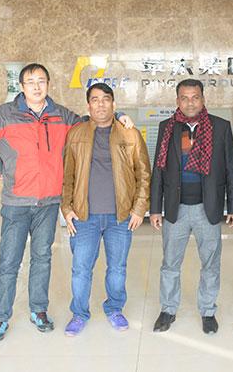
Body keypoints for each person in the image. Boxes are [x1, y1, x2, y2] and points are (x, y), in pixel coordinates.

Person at [0, 63, 133, 342]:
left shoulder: (61, 116)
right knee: (9, 261)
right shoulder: (4, 115)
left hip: (49, 202)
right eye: (30, 82)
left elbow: (94, 119)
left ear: (48, 84)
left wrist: (120, 114)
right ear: (21, 86)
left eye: (41, 81)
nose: (36, 86)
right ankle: (0, 317)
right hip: (17, 202)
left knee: (42, 258)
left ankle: (38, 310)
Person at [149, 78, 233, 334]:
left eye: (195, 97)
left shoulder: (220, 127)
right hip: (175, 209)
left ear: (203, 99)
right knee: (170, 263)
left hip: (207, 208)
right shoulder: (167, 127)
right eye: (185, 98)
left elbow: (231, 169)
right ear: (177, 101)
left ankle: (208, 310)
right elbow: (159, 170)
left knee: (211, 263)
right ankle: (168, 309)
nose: (190, 103)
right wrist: (155, 208)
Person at [61, 83, 150, 335]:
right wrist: (66, 208)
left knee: (117, 269)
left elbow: (144, 174)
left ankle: (114, 309)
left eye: (106, 99)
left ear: (114, 103)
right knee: (80, 270)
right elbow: (67, 176)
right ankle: (79, 314)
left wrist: (139, 209)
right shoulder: (76, 134)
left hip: (120, 217)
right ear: (88, 105)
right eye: (95, 99)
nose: (100, 104)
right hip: (83, 216)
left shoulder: (130, 134)